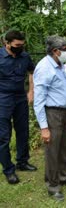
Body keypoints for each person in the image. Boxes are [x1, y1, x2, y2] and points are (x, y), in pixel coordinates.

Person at [33, 36, 66, 201]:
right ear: (55, 51)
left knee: (65, 147)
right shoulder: (44, 68)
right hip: (52, 113)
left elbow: (62, 91)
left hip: (63, 112)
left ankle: (65, 177)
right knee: (53, 151)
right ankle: (53, 186)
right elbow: (39, 101)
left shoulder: (60, 65)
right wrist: (44, 128)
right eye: (65, 49)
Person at [0, 30, 37, 185]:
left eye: (22, 45)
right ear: (6, 43)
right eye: (16, 45)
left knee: (23, 131)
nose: (20, 47)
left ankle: (22, 161)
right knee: (3, 136)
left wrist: (31, 90)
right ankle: (9, 170)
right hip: (3, 98)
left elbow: (32, 71)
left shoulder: (25, 56)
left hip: (21, 97)